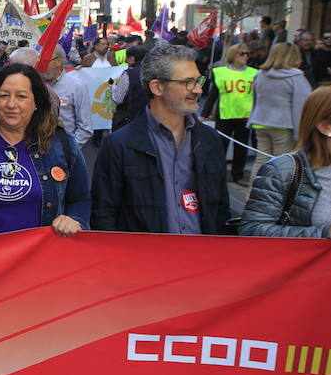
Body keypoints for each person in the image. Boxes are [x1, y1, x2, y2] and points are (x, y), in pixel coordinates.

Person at [92, 45, 230, 234]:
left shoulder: (210, 140)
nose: (198, 90)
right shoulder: (119, 145)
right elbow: (103, 216)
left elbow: (220, 210)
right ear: (157, 87)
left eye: (199, 81)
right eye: (188, 82)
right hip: (143, 260)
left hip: (202, 258)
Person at [0, 63, 89, 238]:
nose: (11, 104)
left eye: (21, 96)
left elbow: (80, 199)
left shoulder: (62, 144)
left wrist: (75, 219)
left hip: (41, 258)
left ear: (36, 102)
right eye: (3, 95)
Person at [240, 85, 331, 238]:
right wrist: (325, 233)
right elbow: (253, 230)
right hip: (310, 261)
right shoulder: (283, 170)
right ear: (325, 127)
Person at [247, 42, 313, 174]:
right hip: (283, 126)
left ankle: (253, 194)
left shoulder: (260, 74)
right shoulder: (296, 77)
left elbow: (255, 99)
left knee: (261, 161)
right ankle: (278, 195)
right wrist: (300, 134)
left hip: (260, 123)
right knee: (282, 166)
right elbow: (302, 107)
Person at [200, 45, 258, 186]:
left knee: (241, 148)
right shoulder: (220, 72)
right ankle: (217, 174)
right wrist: (204, 114)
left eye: (247, 53)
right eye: (242, 53)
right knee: (220, 146)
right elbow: (213, 94)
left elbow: (258, 96)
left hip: (245, 115)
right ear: (233, 55)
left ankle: (238, 175)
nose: (245, 56)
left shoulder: (254, 73)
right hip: (224, 114)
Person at [42, 48, 92, 146]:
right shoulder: (37, 84)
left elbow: (85, 127)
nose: (42, 65)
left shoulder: (76, 86)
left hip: (65, 149)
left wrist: (70, 151)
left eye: (46, 61)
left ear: (59, 61)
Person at [110, 45, 148, 130]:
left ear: (132, 59)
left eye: (127, 58)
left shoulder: (128, 74)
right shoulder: (153, 72)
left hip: (130, 118)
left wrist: (113, 87)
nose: (126, 61)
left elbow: (117, 99)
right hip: (148, 118)